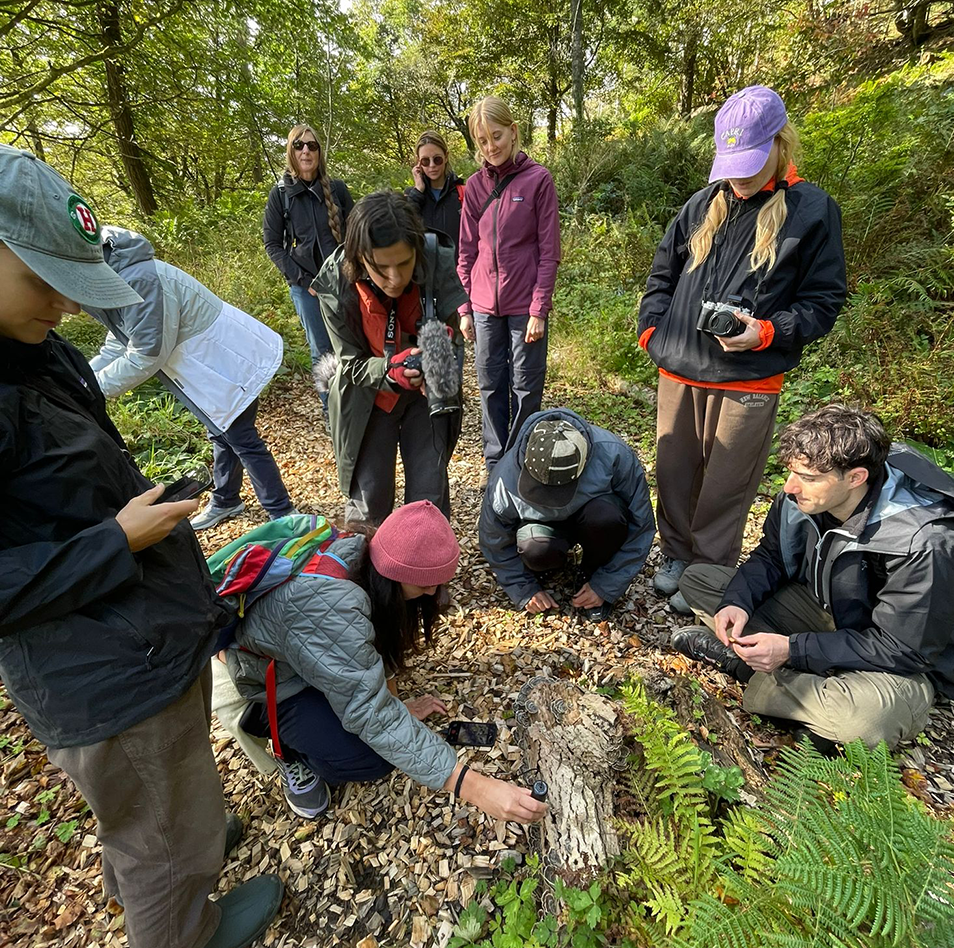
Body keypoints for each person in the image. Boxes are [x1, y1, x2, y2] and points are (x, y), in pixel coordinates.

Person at [0, 144, 283, 948]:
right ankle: (183, 923)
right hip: (101, 669)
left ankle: (168, 860)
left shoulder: (30, 344)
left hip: (138, 632)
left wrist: (131, 521)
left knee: (150, 808)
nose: (63, 304)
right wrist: (114, 540)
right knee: (158, 827)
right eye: (42, 280)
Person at [637, 85, 846, 614]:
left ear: (781, 143)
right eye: (731, 164)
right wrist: (652, 333)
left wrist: (768, 332)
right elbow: (661, 275)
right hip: (679, 367)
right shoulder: (702, 203)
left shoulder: (812, 210)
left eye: (751, 162)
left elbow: (823, 300)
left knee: (726, 484)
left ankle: (707, 573)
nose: (740, 176)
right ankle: (677, 556)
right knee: (675, 472)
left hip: (749, 375)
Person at [670, 405, 954, 751]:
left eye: (807, 477)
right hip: (827, 614)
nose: (790, 486)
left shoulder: (927, 545)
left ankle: (750, 672)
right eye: (790, 471)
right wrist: (738, 602)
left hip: (900, 661)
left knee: (866, 721)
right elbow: (772, 556)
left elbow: (903, 649)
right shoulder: (803, 497)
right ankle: (806, 699)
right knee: (700, 581)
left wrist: (792, 650)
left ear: (855, 478)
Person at [220, 501, 549, 824]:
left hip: (312, 652)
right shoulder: (330, 604)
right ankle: (291, 755)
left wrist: (396, 703)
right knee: (368, 758)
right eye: (425, 585)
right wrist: (476, 787)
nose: (434, 594)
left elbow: (375, 646)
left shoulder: (367, 553)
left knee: (384, 733)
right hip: (265, 679)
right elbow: (368, 713)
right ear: (398, 572)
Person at [87, 226, 296, 531]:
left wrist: (94, 391)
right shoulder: (118, 277)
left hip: (223, 361)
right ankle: (227, 499)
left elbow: (147, 352)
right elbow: (120, 340)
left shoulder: (139, 280)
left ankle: (282, 512)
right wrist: (82, 379)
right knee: (222, 433)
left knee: (242, 439)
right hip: (206, 365)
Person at [313, 189, 467, 525]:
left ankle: (427, 575)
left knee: (428, 504)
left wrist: (438, 360)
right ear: (360, 257)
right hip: (367, 399)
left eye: (404, 263)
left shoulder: (436, 258)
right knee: (368, 507)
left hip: (424, 402)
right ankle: (364, 578)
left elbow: (453, 334)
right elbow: (349, 365)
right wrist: (391, 370)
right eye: (382, 268)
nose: (395, 279)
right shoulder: (336, 282)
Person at [458, 96, 561, 486]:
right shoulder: (473, 186)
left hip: (524, 306)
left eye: (496, 136)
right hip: (484, 306)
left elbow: (549, 251)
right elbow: (466, 250)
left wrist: (539, 308)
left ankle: (519, 461)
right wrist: (465, 307)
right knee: (490, 384)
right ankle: (495, 465)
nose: (490, 147)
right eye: (482, 141)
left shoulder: (538, 180)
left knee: (526, 384)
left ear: (513, 131)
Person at [480, 409, 655, 622]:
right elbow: (494, 540)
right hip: (543, 528)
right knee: (534, 548)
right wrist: (524, 588)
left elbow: (641, 525)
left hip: (594, 519)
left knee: (607, 518)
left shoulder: (614, 455)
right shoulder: (504, 478)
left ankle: (593, 570)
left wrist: (606, 585)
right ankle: (548, 565)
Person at [263, 123, 354, 416]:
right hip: (306, 287)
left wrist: (354, 271)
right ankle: (334, 414)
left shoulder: (336, 188)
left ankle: (357, 408)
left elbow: (355, 232)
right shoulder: (280, 194)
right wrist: (302, 280)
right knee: (323, 352)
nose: (306, 150)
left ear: (319, 151)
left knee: (353, 343)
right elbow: (272, 244)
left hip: (344, 282)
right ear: (291, 150)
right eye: (299, 145)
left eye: (312, 145)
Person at [404, 129, 465, 245]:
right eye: (425, 161)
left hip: (457, 262)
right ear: (418, 161)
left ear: (446, 157)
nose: (432, 165)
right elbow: (404, 229)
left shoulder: (462, 193)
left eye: (437, 159)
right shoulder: (412, 196)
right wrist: (418, 191)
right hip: (425, 262)